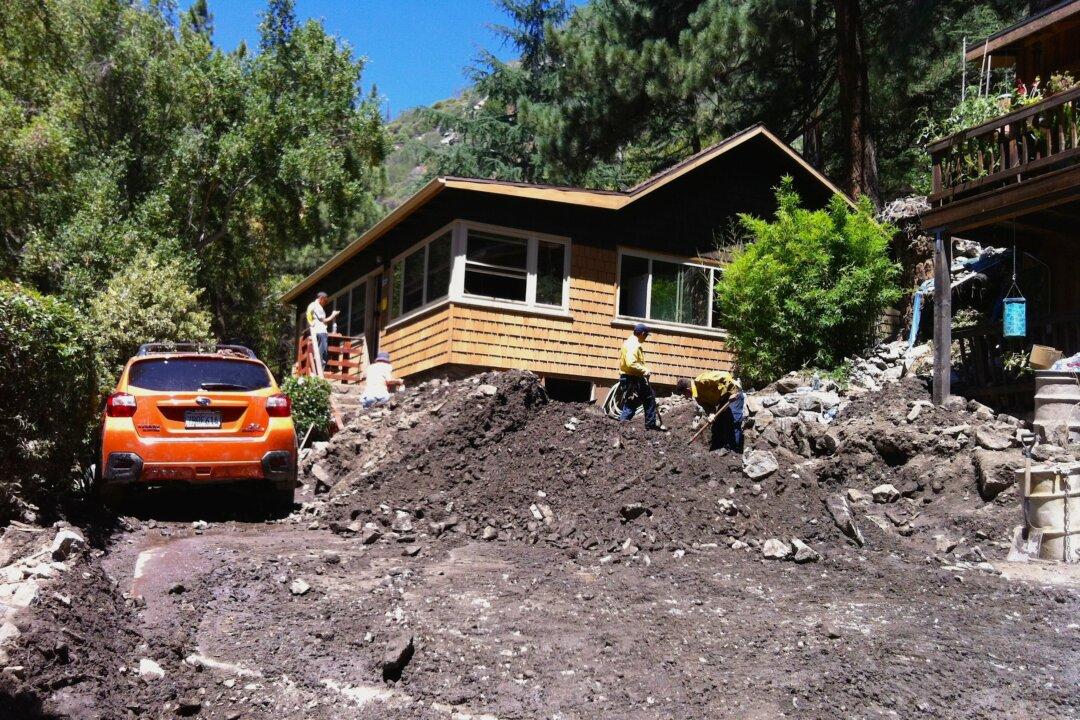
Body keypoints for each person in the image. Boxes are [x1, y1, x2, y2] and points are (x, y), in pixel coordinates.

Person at [676, 370, 745, 451]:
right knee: (718, 423)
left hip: (734, 394)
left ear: (688, 389)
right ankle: (717, 448)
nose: (686, 397)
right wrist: (711, 414)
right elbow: (708, 406)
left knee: (733, 421)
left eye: (685, 394)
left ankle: (733, 451)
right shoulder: (697, 396)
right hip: (723, 399)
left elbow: (725, 375)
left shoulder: (703, 380)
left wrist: (734, 392)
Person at [617, 323, 666, 431]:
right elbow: (631, 363)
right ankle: (621, 428)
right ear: (642, 334)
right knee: (631, 403)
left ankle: (650, 425)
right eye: (646, 336)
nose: (646, 338)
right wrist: (645, 370)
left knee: (649, 398)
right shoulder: (633, 345)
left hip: (635, 377)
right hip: (631, 379)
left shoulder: (631, 342)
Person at [305, 291, 339, 375]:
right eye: (325, 301)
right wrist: (333, 315)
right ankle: (319, 372)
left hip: (317, 331)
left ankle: (318, 371)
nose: (326, 303)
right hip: (320, 331)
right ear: (321, 298)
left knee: (320, 352)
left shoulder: (312, 306)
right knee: (323, 352)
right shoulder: (316, 306)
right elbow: (324, 320)